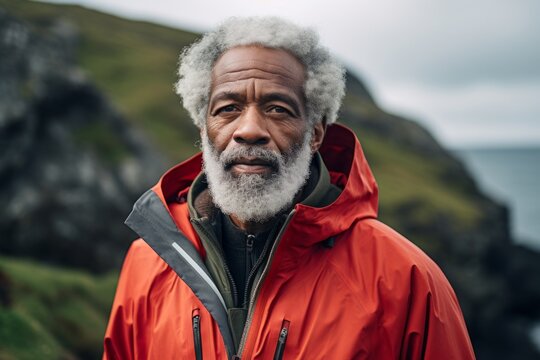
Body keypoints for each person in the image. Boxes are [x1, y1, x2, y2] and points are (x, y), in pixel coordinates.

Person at [103, 17, 475, 360]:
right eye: (228, 108)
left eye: (278, 109)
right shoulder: (148, 261)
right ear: (204, 130)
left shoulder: (404, 279)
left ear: (315, 134)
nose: (249, 129)